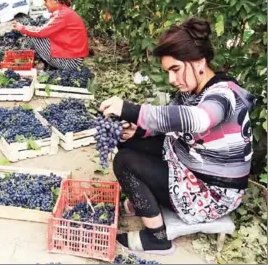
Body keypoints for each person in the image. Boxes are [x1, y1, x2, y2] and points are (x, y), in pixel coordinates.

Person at [99, 17, 254, 255]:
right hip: (190, 165)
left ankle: (157, 238)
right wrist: (138, 129)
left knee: (125, 162)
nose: (172, 79)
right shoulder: (193, 90)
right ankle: (149, 202)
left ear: (199, 62)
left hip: (211, 194)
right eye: (168, 71)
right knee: (129, 141)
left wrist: (132, 109)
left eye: (176, 69)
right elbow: (171, 123)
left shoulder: (223, 95)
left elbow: (198, 119)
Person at [12, 0, 88, 70]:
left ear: (55, 0)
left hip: (71, 62)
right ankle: (38, 61)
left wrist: (22, 28)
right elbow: (45, 30)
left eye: (46, 1)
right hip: (73, 56)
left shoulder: (62, 15)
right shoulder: (64, 12)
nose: (44, 4)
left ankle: (22, 64)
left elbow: (41, 32)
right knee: (34, 33)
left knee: (32, 36)